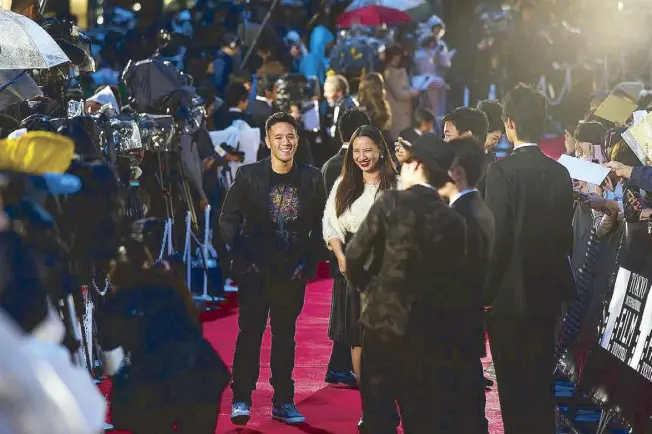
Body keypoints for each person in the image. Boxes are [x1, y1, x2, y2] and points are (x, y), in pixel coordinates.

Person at [345, 133, 484, 433]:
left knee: (377, 418)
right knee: (421, 419)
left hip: (382, 326)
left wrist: (367, 286)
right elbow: (458, 283)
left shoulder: (390, 202)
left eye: (406, 163)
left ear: (416, 165)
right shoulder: (453, 221)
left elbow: (354, 255)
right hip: (428, 333)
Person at [219, 112, 326, 426]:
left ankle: (283, 400)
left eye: (290, 136)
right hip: (254, 270)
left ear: (297, 139)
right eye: (278, 137)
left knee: (285, 336)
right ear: (267, 141)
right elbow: (228, 219)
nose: (285, 142)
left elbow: (323, 223)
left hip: (291, 271)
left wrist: (309, 263)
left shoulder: (311, 176)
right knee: (249, 334)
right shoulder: (249, 175)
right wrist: (239, 259)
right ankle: (241, 398)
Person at [484, 84, 574, 434]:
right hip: (547, 295)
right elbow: (565, 237)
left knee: (512, 385)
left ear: (509, 123)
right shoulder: (560, 173)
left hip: (508, 296)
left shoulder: (501, 172)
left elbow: (498, 238)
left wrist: (485, 294)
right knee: (540, 381)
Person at [322, 124, 399, 429]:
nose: (362, 157)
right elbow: (331, 226)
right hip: (352, 272)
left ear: (381, 150)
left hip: (387, 272)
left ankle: (389, 402)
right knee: (358, 342)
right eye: (356, 151)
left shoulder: (397, 184)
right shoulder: (344, 184)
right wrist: (341, 257)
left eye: (368, 150)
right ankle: (371, 405)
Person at [436, 135, 496, 394]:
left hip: (452, 328)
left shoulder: (461, 215)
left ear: (456, 173)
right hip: (465, 326)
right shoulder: (474, 208)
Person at [321, 109, 370, 388]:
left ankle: (338, 365)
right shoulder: (355, 165)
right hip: (353, 248)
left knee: (346, 307)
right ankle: (340, 366)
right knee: (349, 309)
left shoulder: (329, 165)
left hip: (336, 245)